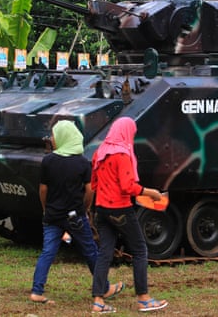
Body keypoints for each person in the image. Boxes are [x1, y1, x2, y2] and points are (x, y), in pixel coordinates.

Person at [91, 117, 168, 313]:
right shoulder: (122, 155)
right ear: (126, 132)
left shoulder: (100, 152)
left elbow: (94, 184)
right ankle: (143, 298)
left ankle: (98, 301)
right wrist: (151, 193)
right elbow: (127, 187)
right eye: (132, 133)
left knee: (105, 253)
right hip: (120, 209)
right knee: (140, 250)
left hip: (101, 208)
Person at [30, 120, 98, 305]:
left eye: (53, 135)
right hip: (75, 215)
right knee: (90, 250)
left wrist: (46, 209)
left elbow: (43, 189)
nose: (51, 139)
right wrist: (85, 209)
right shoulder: (83, 163)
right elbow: (90, 190)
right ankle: (103, 287)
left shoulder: (48, 161)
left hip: (52, 215)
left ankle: (37, 290)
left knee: (48, 252)